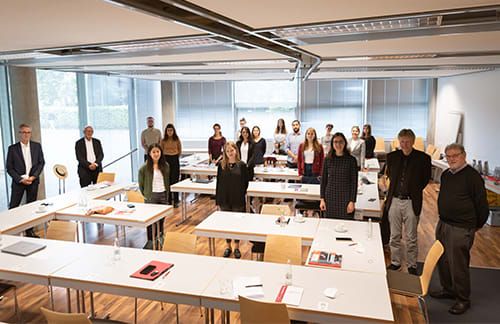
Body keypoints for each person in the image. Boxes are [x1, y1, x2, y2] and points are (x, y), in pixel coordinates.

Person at [430, 143, 489, 315]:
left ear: (464, 155)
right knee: (443, 261)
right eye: (448, 156)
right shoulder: (447, 174)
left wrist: (475, 225)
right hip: (444, 223)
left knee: (458, 265)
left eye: (455, 155)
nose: (451, 159)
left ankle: (463, 299)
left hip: (461, 227)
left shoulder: (472, 176)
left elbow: (482, 205)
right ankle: (448, 289)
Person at [385, 129, 431, 275]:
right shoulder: (392, 157)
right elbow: (389, 175)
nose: (404, 144)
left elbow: (425, 179)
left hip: (411, 201)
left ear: (413, 141)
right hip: (394, 200)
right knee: (394, 235)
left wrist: (413, 190)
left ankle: (412, 265)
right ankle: (395, 262)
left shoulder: (423, 158)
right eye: (402, 141)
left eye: (407, 141)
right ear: (399, 141)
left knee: (411, 236)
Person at [6, 123, 45, 237]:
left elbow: (41, 163)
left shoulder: (36, 146)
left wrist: (34, 177)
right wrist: (20, 179)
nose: (26, 134)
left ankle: (29, 231)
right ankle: (11, 231)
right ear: (19, 134)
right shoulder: (12, 149)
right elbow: (9, 168)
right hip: (19, 182)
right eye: (24, 132)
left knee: (31, 206)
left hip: (33, 181)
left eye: (28, 132)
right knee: (13, 206)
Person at [216, 142, 249, 259]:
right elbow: (218, 183)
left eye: (232, 150)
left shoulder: (242, 165)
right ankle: (228, 246)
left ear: (236, 151)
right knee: (226, 224)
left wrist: (240, 193)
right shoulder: (221, 165)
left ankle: (236, 247)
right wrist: (218, 200)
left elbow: (246, 183)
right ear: (225, 152)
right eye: (228, 151)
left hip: (237, 199)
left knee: (236, 224)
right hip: (224, 199)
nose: (230, 153)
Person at [138, 144, 170, 249]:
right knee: (150, 221)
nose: (156, 154)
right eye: (153, 152)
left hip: (163, 195)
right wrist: (146, 195)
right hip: (151, 197)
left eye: (158, 151)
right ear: (150, 154)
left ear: (161, 152)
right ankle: (150, 242)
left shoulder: (165, 166)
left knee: (161, 220)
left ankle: (159, 237)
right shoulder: (144, 168)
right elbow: (141, 185)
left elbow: (167, 181)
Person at [320, 132, 358, 219]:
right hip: (330, 197)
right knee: (329, 225)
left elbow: (354, 183)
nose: (338, 144)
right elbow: (324, 181)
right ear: (332, 144)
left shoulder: (351, 160)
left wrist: (352, 201)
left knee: (346, 226)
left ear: (345, 143)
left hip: (346, 198)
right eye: (335, 142)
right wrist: (322, 199)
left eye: (341, 142)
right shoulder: (327, 159)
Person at [161, 124, 182, 207]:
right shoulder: (163, 140)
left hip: (175, 159)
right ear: (166, 131)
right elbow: (161, 151)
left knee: (175, 180)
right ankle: (168, 200)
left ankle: (176, 200)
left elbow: (180, 150)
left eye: (171, 130)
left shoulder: (177, 140)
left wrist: (175, 155)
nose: (170, 132)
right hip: (166, 159)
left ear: (174, 131)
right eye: (168, 130)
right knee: (167, 180)